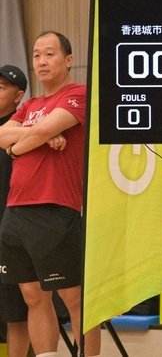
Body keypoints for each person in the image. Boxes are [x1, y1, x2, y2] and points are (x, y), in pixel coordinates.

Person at [0, 32, 101, 356]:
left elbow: (41, 130)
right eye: (36, 55)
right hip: (16, 210)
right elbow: (2, 134)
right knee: (32, 296)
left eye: (49, 54)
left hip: (55, 208)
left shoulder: (78, 93)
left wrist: (17, 147)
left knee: (74, 297)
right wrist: (39, 135)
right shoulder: (29, 105)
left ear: (68, 60)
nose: (41, 61)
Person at [0, 65, 30, 357]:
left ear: (18, 96)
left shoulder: (25, 130)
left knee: (16, 313)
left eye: (0, 88)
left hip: (11, 231)